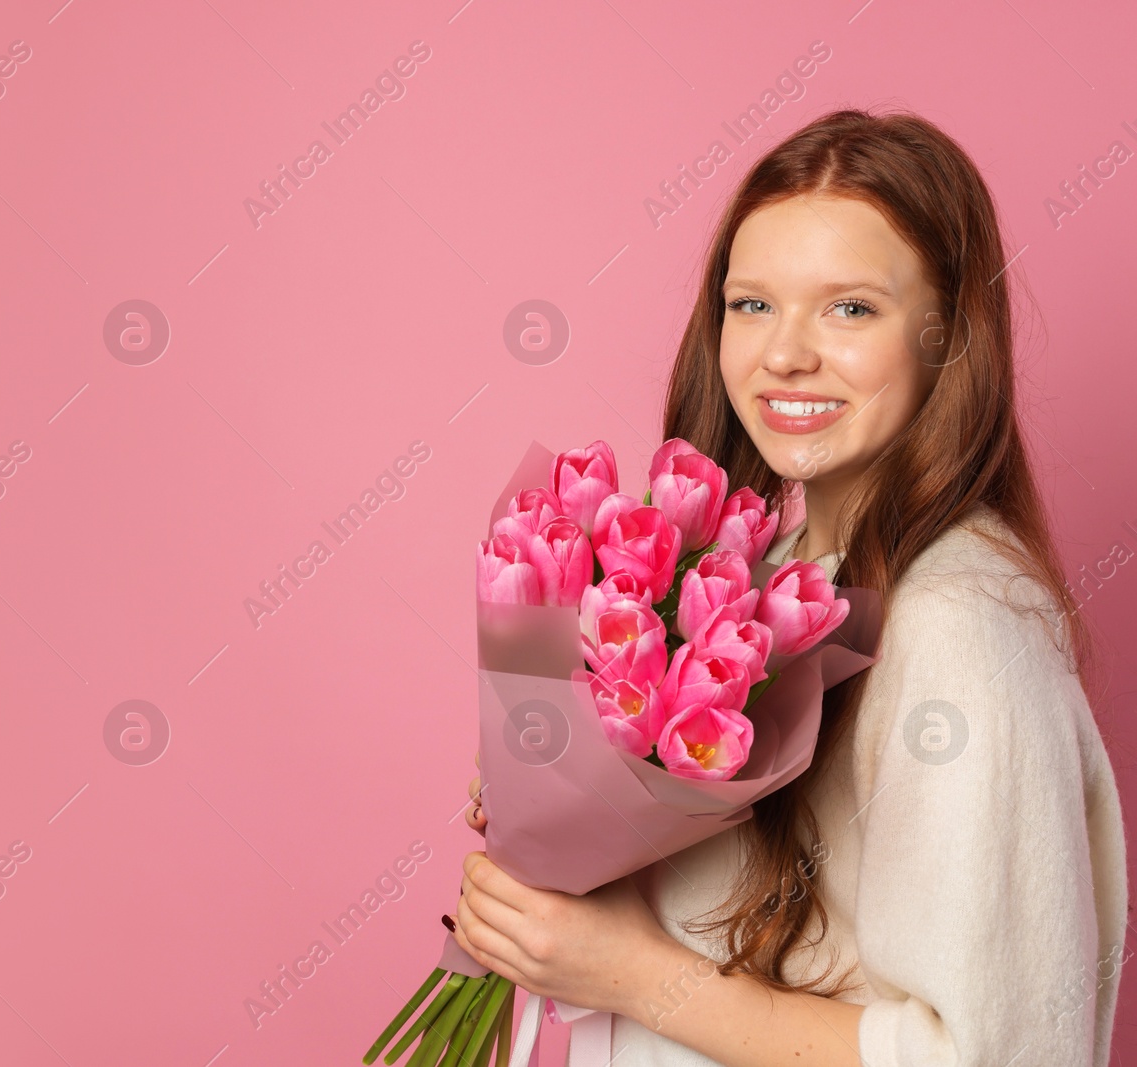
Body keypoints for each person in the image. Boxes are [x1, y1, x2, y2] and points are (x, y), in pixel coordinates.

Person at [448, 107, 1129, 1066]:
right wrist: (567, 819)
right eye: (751, 303)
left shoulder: (956, 627)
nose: (784, 354)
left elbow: (997, 1051)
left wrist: (629, 971)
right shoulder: (775, 575)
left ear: (947, 336)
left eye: (851, 307)